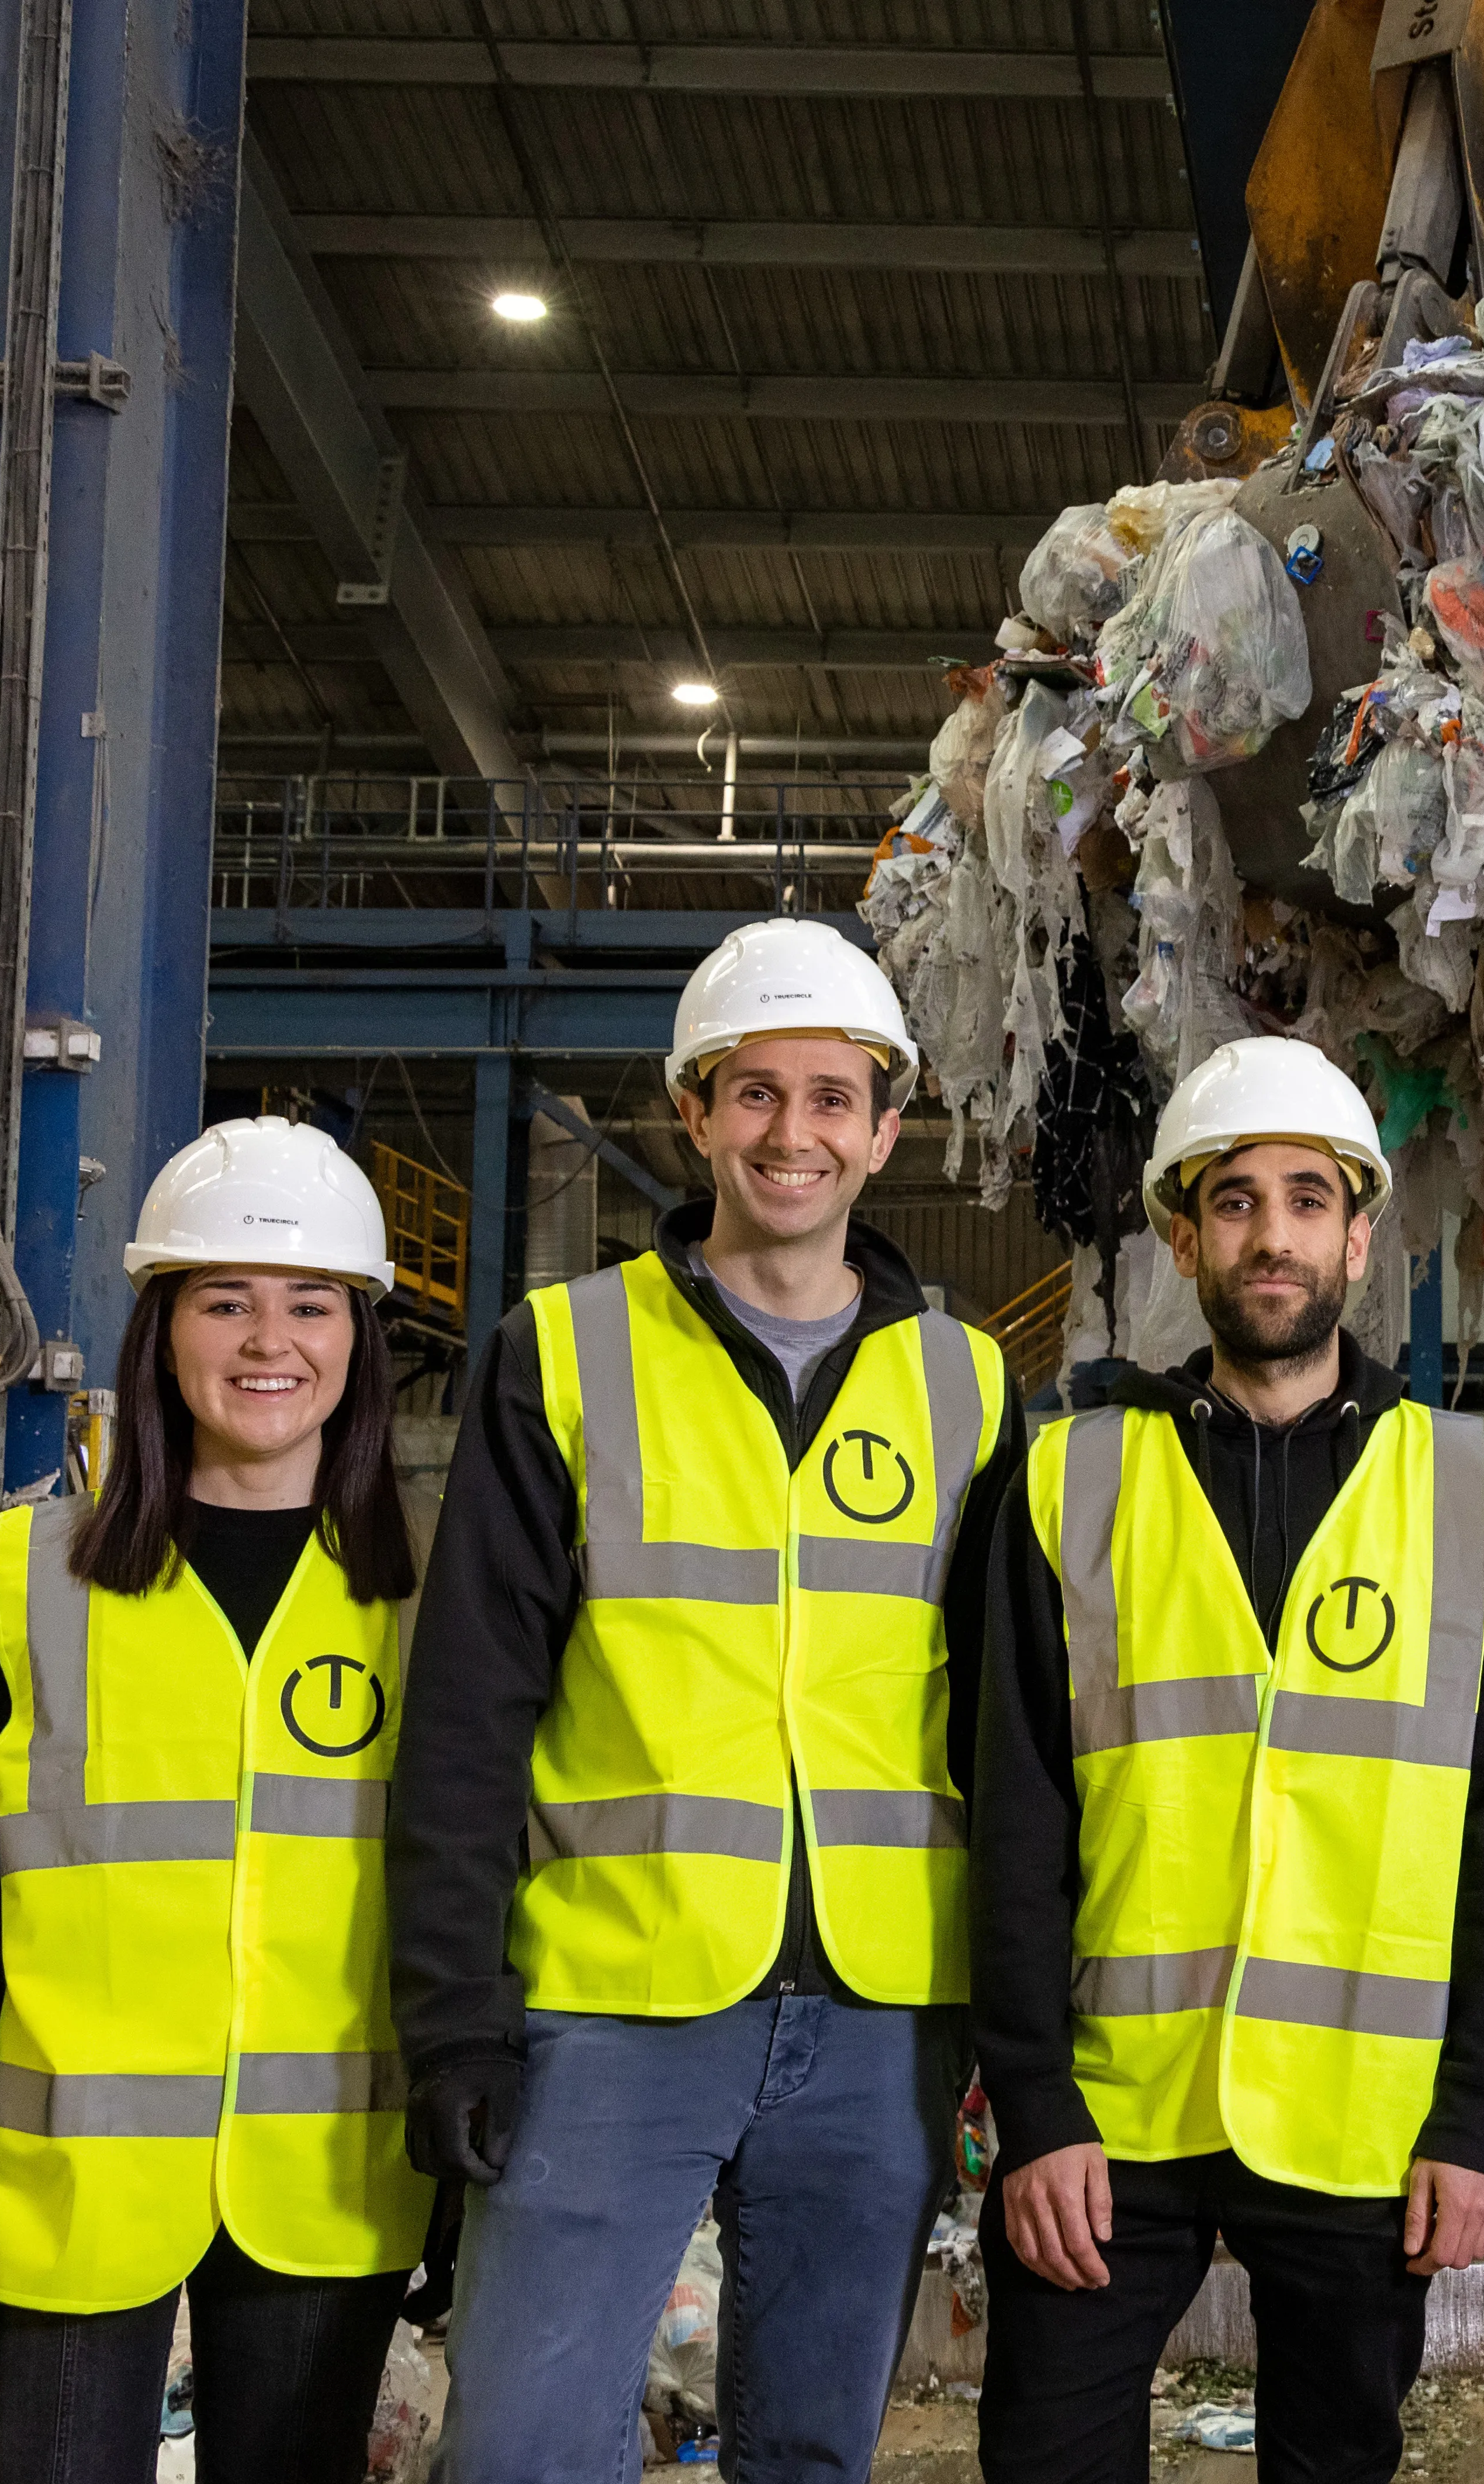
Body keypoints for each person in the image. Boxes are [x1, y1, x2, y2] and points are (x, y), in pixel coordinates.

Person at [392, 918, 1015, 2483]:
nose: (789, 1133)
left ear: (884, 1132)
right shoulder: (567, 1355)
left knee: (811, 2449)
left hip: (879, 2013)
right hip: (612, 2000)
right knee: (522, 2448)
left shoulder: (971, 1387)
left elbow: (1009, 1736)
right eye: (753, 1093)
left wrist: (1007, 2018)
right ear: (694, 1112)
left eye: (828, 1098)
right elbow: (468, 1709)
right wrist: (456, 2016)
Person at [961, 1035, 1484, 2484]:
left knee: (1333, 2462)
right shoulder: (1067, 1480)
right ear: (1182, 1232)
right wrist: (1032, 2105)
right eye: (1235, 1201)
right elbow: (1015, 1816)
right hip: (1115, 2110)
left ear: (1359, 1237)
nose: (1270, 1234)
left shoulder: (1474, 1491)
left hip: (1362, 2123)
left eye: (1305, 1200)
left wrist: (1479, 2122)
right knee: (1044, 2453)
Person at [0, 1118, 434, 2481]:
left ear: (357, 1341)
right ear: (162, 1331)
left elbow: (470, 1896)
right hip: (72, 2188)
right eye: (224, 1300)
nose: (269, 1341)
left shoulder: (428, 1605)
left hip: (326, 2192)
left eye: (311, 1304)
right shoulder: (36, 1574)